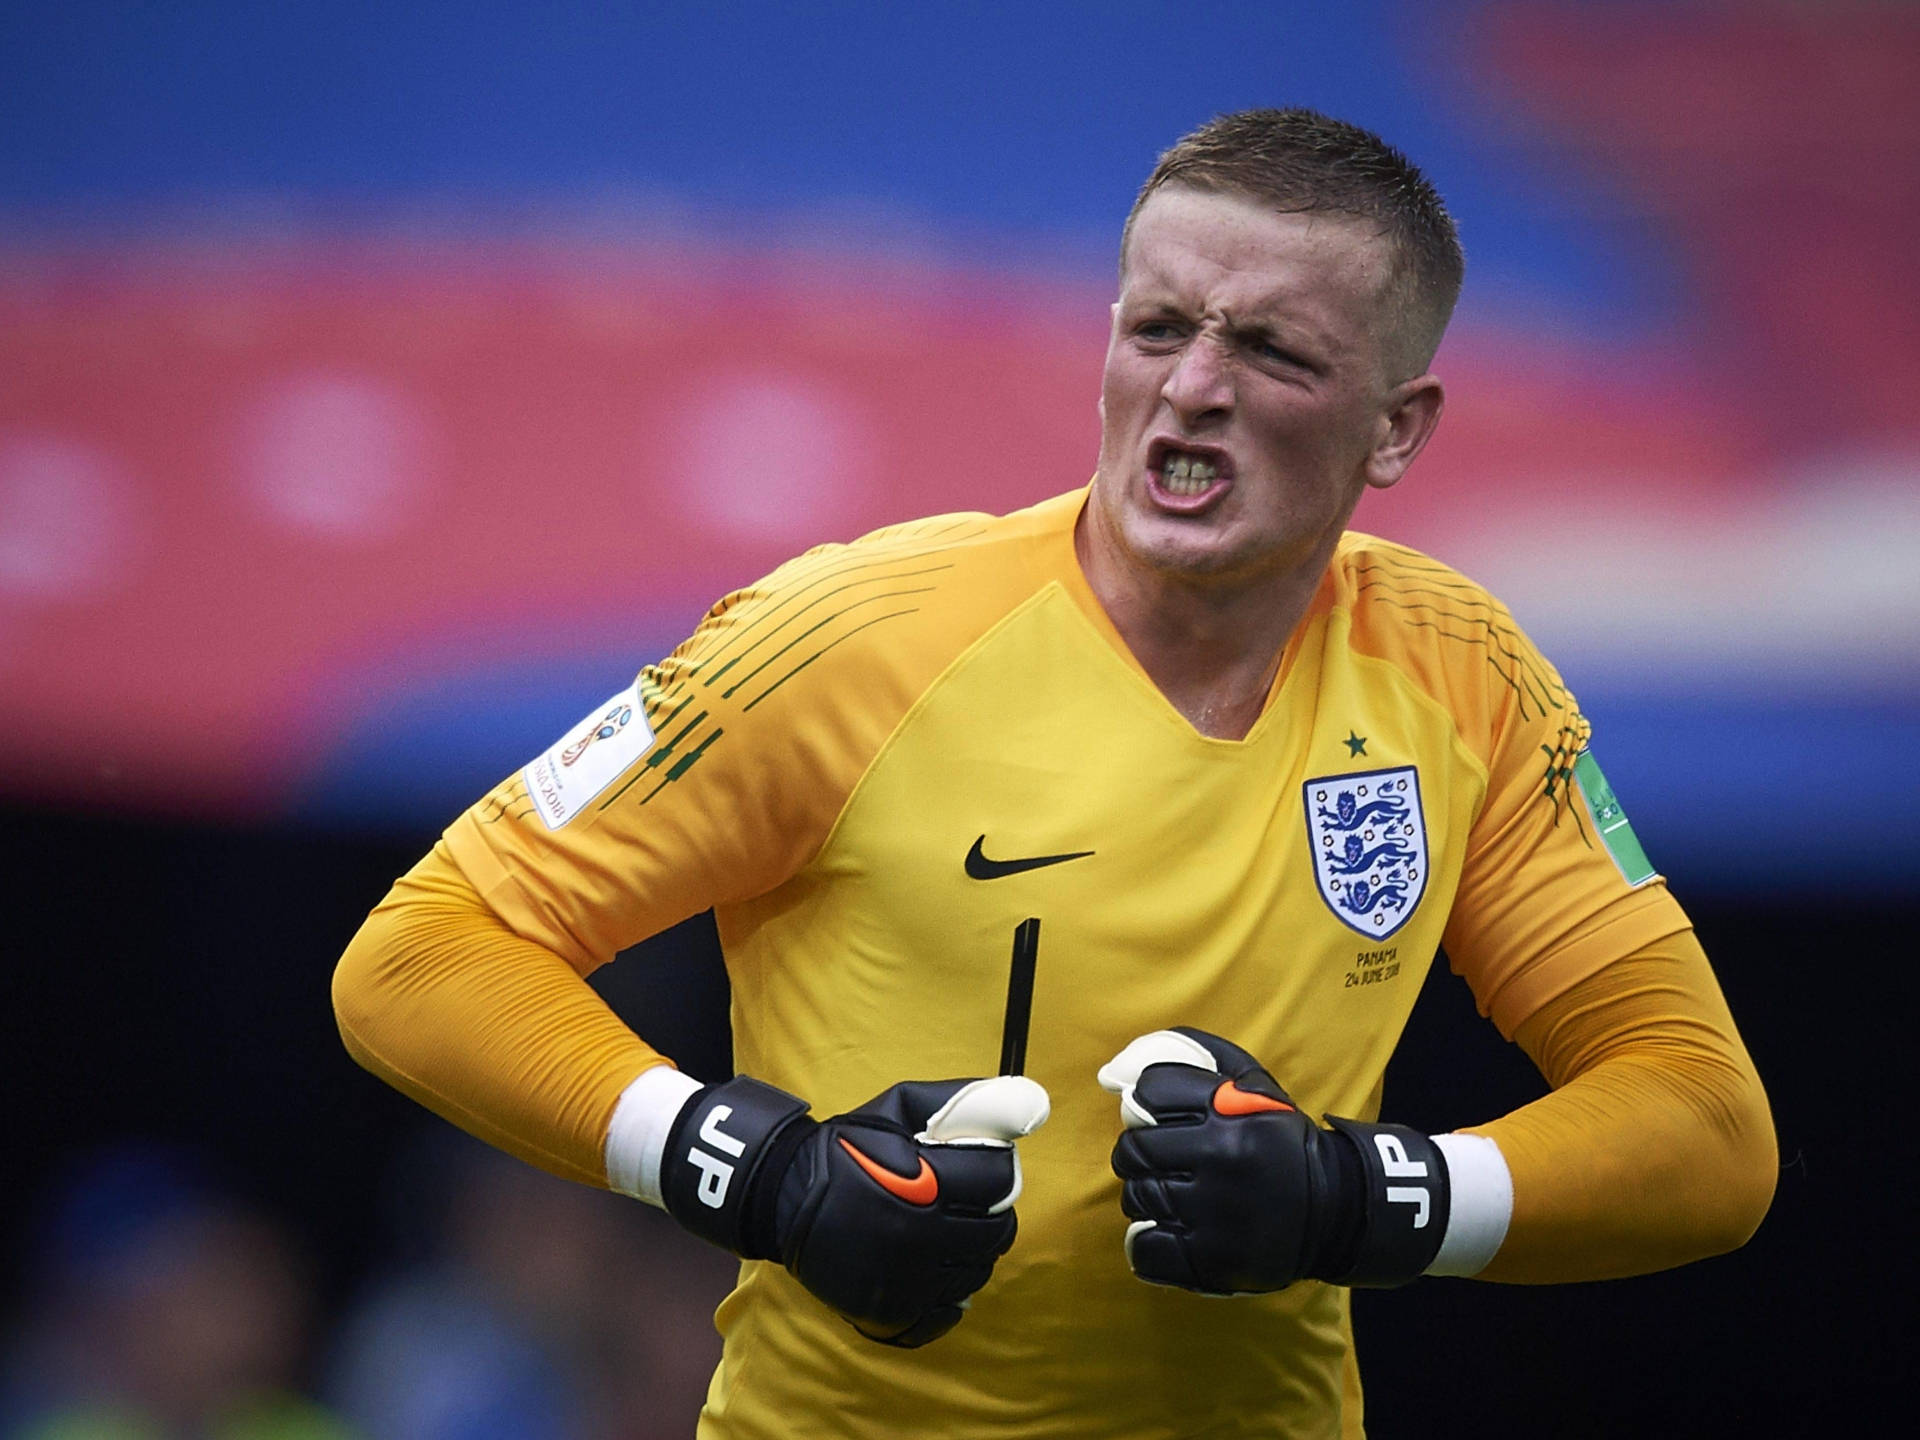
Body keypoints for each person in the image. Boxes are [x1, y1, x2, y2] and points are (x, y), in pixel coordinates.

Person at [332, 108, 1776, 1438]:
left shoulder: (1463, 669)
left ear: (1396, 426)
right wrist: (763, 1175)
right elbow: (420, 954)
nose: (1193, 388)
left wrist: (1362, 1195)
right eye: (1157, 327)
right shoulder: (851, 636)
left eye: (1272, 351)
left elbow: (1707, 1128)